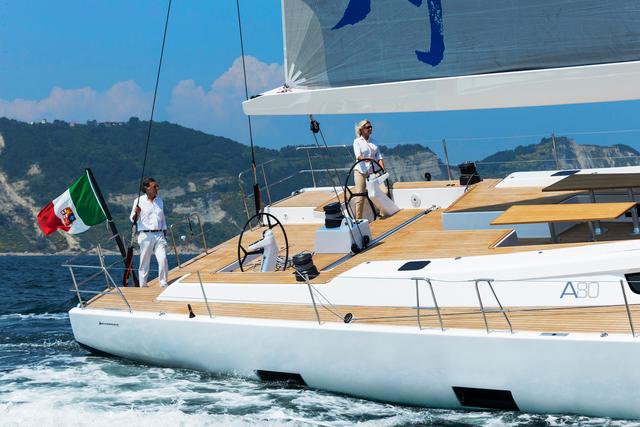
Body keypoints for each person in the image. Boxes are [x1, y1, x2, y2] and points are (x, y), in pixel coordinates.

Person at [130, 177, 168, 287]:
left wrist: (164, 231)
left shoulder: (159, 200)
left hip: (159, 234)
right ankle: (143, 285)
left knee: (163, 259)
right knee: (144, 262)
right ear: (147, 188)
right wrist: (137, 213)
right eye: (154, 186)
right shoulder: (138, 201)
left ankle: (163, 282)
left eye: (157, 186)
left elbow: (162, 218)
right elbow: (133, 219)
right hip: (146, 235)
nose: (157, 188)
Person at [352, 119, 386, 219]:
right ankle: (358, 220)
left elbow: (379, 157)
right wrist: (368, 159)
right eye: (367, 127)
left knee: (384, 192)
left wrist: (383, 170)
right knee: (360, 197)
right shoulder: (357, 142)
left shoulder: (374, 142)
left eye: (371, 127)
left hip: (372, 172)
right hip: (361, 171)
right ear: (362, 129)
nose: (370, 129)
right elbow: (358, 156)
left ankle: (382, 215)